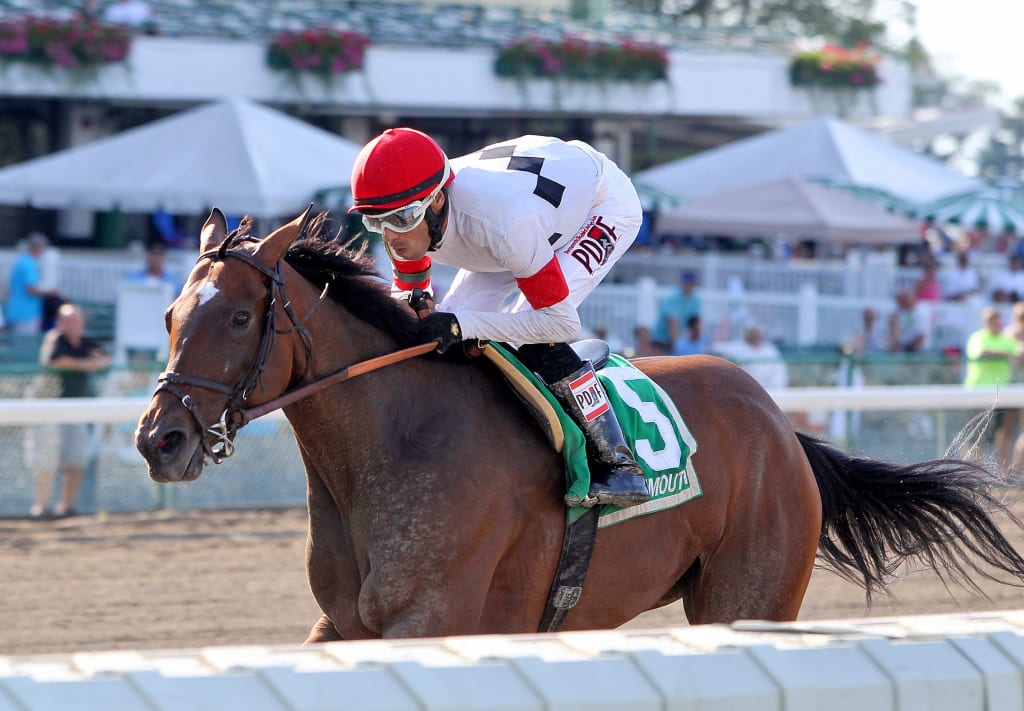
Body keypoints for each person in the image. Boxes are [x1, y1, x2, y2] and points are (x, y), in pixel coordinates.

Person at [347, 128, 649, 507]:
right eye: (377, 223)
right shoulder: (411, 211)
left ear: (437, 201)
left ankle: (617, 462)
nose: (392, 236)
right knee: (442, 329)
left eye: (403, 220)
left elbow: (560, 324)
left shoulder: (504, 224)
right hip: (523, 215)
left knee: (528, 333)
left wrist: (462, 325)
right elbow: (409, 303)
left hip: (598, 207)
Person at [27, 303, 112, 519]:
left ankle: (66, 507)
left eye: (78, 320)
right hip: (47, 408)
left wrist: (93, 362)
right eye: (71, 320)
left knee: (76, 460)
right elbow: (54, 360)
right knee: (45, 461)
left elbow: (106, 358)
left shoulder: (85, 342)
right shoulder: (55, 338)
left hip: (76, 409)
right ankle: (42, 507)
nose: (76, 324)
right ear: (61, 323)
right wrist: (85, 364)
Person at [964, 307, 1021, 470]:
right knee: (976, 436)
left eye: (998, 321)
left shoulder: (1006, 339)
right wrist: (1005, 355)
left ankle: (1003, 474)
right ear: (986, 323)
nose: (996, 324)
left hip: (1001, 395)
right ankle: (975, 474)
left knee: (1002, 433)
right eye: (992, 321)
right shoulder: (978, 338)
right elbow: (981, 352)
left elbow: (1018, 353)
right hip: (978, 394)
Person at [6, 232, 58, 336]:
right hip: (26, 314)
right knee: (24, 346)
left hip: (18, 311)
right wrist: (51, 292)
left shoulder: (22, 261)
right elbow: (31, 289)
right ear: (37, 248)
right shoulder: (28, 264)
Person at [651, 271, 701, 351]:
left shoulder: (695, 299)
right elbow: (672, 320)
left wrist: (697, 343)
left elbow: (694, 321)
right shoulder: (672, 297)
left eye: (692, 284)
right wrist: (677, 344)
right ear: (682, 283)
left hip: (675, 340)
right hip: (660, 339)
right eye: (688, 283)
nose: (690, 286)